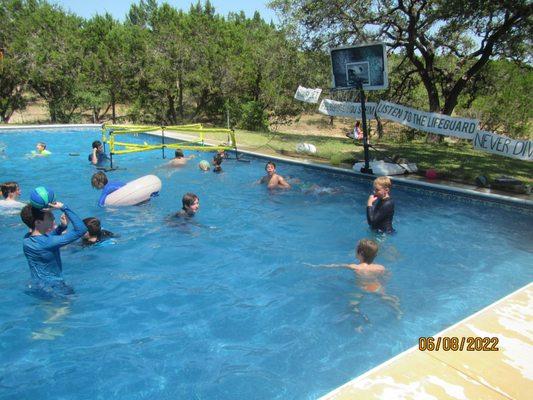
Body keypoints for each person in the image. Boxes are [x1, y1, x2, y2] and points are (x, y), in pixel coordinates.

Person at [20, 201, 87, 295]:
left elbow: (45, 239)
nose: (53, 217)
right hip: (55, 289)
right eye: (49, 216)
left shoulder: (27, 239)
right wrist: (64, 207)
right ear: (38, 222)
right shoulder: (48, 242)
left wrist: (62, 227)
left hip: (38, 287)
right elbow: (81, 229)